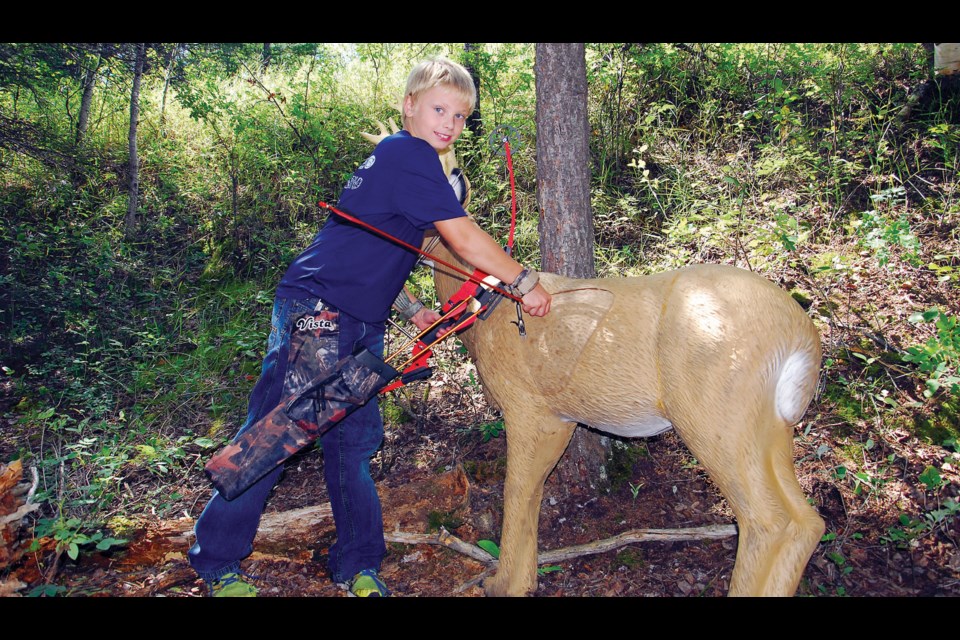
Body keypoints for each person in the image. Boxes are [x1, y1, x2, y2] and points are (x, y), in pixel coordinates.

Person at [187, 57, 552, 597]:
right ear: (408, 106)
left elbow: (381, 245)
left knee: (352, 445)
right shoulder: (406, 152)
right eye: (438, 108)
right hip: (318, 311)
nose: (449, 123)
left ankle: (358, 564)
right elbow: (463, 237)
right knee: (275, 435)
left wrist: (409, 310)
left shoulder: (405, 161)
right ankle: (215, 562)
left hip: (359, 320)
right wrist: (523, 281)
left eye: (459, 115)